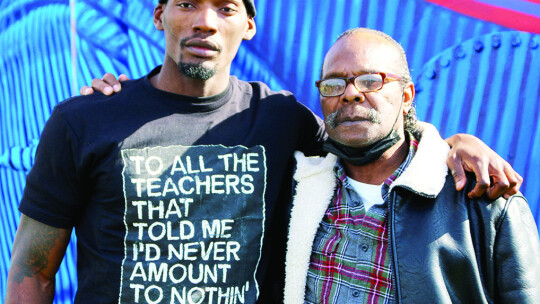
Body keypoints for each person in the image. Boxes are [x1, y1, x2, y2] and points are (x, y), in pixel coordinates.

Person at [5, 0, 522, 302]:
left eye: (226, 7)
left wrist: (451, 143)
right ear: (159, 15)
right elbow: (32, 268)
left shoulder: (280, 118)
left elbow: (366, 135)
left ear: (248, 26)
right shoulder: (84, 120)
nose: (205, 21)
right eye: (186, 3)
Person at [283, 28, 540, 304]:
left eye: (370, 81)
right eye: (333, 84)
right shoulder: (296, 188)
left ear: (406, 97)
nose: (350, 94)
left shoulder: (485, 199)